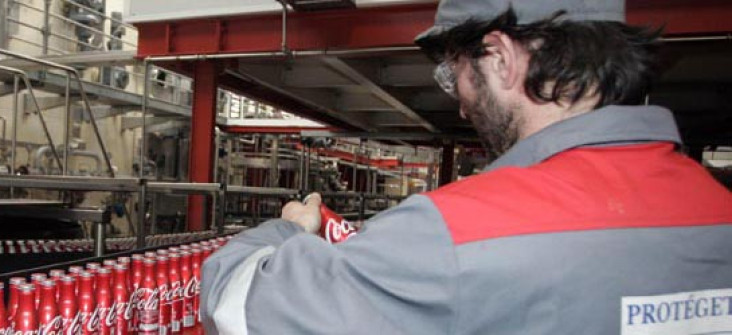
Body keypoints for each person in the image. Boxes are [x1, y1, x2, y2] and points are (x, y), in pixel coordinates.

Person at [199, 0, 732, 334]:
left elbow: (241, 310)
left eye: (457, 78)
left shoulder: (453, 235)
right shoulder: (717, 208)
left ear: (500, 58)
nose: (460, 104)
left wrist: (288, 234)